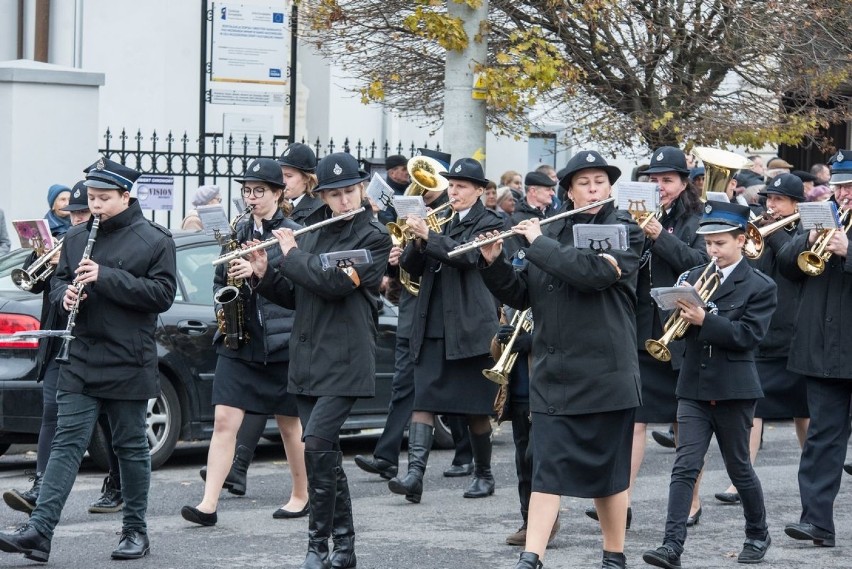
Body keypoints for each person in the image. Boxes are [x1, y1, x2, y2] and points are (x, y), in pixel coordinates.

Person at [0, 158, 177, 562]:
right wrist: (64, 294)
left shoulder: (154, 240)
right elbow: (60, 277)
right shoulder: (77, 237)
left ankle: (135, 531)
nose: (94, 206)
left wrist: (106, 277)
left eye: (103, 198)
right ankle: (39, 532)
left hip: (128, 356)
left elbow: (162, 295)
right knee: (66, 443)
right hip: (80, 352)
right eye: (91, 198)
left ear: (125, 196)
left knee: (130, 446)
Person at [479, 150, 643, 569]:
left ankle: (613, 554)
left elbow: (592, 274)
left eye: (600, 181)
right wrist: (494, 262)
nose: (593, 188)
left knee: (608, 476)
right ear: (568, 192)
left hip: (606, 373)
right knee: (545, 467)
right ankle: (531, 556)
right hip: (554, 373)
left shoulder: (623, 229)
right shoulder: (553, 229)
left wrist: (537, 242)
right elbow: (522, 295)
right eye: (584, 182)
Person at [251, 152, 391, 569]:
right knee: (324, 453)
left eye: (350, 191)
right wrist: (265, 274)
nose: (345, 201)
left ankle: (317, 545)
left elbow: (333, 284)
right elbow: (299, 295)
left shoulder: (374, 237)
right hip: (309, 356)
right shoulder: (312, 233)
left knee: (315, 444)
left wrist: (291, 257)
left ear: (361, 189)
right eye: (335, 194)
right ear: (324, 196)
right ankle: (344, 547)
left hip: (346, 358)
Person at [642, 200, 777, 569]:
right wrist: (672, 308)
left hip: (734, 388)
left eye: (720, 243)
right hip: (694, 386)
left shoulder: (759, 285)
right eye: (708, 243)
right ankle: (672, 545)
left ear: (741, 240)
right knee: (685, 466)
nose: (713, 250)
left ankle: (757, 533)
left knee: (738, 467)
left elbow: (749, 336)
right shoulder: (693, 277)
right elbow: (679, 329)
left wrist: (705, 318)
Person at [180, 158, 309, 526]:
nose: (252, 198)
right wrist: (231, 281)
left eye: (260, 191)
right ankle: (208, 504)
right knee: (224, 420)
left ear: (278, 194)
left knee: (289, 425)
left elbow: (299, 289)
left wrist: (259, 273)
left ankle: (301, 495)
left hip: (281, 342)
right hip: (240, 340)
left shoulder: (293, 232)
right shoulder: (236, 230)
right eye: (247, 191)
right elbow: (220, 279)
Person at [586, 147, 707, 530]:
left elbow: (701, 266)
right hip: (641, 329)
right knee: (634, 420)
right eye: (653, 180)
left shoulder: (698, 219)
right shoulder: (630, 216)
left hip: (683, 330)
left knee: (684, 423)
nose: (660, 187)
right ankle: (622, 498)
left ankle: (691, 499)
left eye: (667, 180)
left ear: (684, 183)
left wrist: (659, 236)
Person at [3, 182, 122, 516]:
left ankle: (118, 483)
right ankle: (41, 487)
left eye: (83, 212)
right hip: (61, 339)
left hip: (99, 342)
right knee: (52, 409)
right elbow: (35, 283)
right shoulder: (66, 242)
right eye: (73, 213)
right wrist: (44, 259)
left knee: (111, 419)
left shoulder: (108, 242)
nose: (78, 219)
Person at [390, 157, 504, 504]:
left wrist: (430, 236)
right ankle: (414, 475)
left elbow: (469, 257)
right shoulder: (443, 221)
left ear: (480, 191)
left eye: (462, 187)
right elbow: (416, 267)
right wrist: (408, 249)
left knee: (474, 408)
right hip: (433, 323)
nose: (453, 192)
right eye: (451, 186)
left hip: (470, 326)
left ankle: (483, 474)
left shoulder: (492, 221)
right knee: (423, 399)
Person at [354, 150, 451, 483]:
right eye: (419, 177)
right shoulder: (409, 201)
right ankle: (387, 457)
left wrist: (427, 236)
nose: (422, 184)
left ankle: (471, 455)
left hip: (440, 306)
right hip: (411, 300)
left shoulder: (452, 210)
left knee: (447, 386)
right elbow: (402, 255)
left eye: (430, 178)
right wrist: (396, 261)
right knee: (402, 381)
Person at [714, 173, 809, 505]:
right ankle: (738, 480)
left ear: (797, 204)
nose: (772, 205)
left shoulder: (807, 231)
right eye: (770, 199)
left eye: (780, 200)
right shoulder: (759, 229)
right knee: (752, 409)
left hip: (796, 330)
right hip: (764, 329)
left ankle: (811, 472)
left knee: (804, 410)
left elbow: (794, 264)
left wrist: (779, 231)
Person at [778, 149, 852, 549]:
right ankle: (816, 521)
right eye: (840, 186)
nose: (844, 194)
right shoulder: (821, 215)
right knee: (822, 439)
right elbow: (788, 267)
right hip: (823, 350)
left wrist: (848, 251)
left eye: (850, 186)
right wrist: (806, 238)